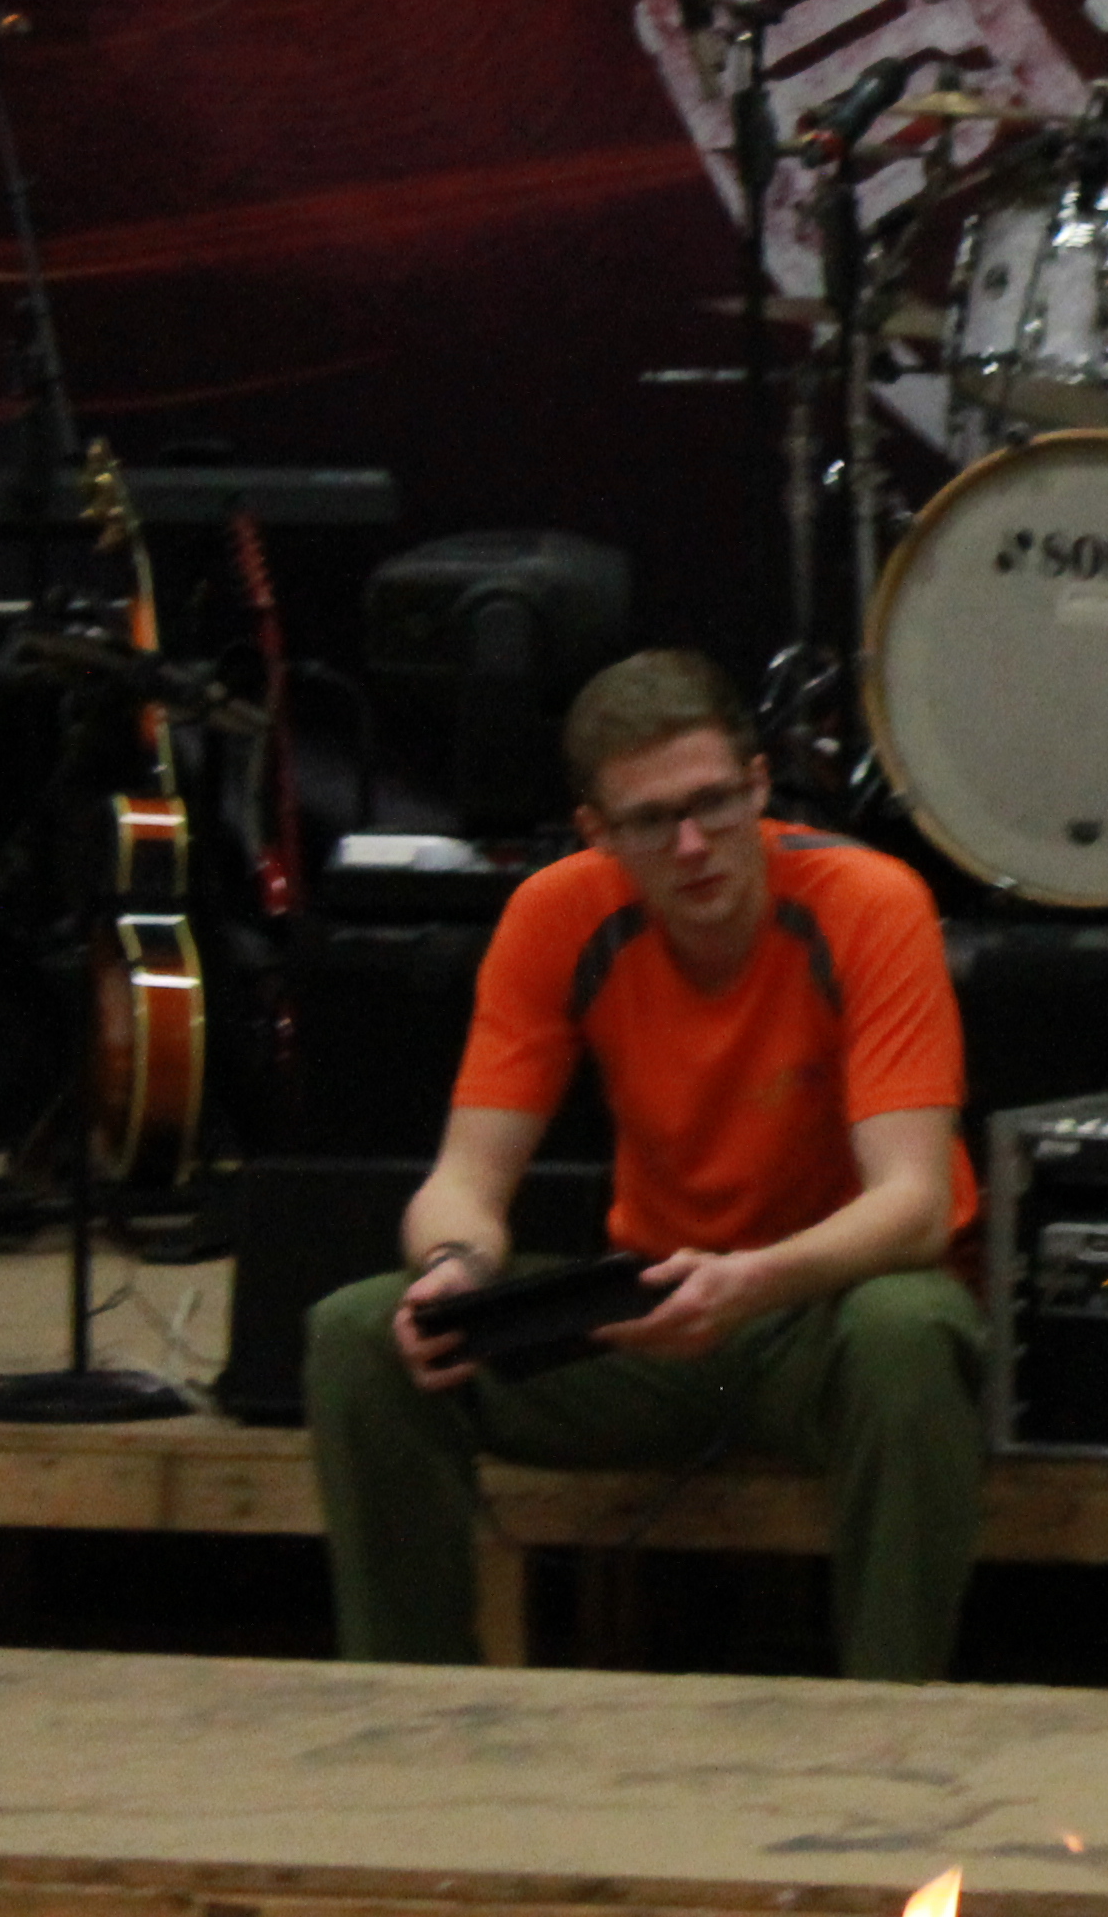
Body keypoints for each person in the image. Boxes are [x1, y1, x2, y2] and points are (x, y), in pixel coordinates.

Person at [304, 650, 987, 1681]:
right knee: (363, 1333)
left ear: (759, 784)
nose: (693, 844)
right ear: (598, 832)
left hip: (822, 1311)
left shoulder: (867, 901)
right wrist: (453, 1270)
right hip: (659, 1309)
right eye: (652, 821)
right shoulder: (556, 913)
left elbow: (915, 1206)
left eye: (714, 803)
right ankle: (409, 1708)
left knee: (911, 1330)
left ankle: (889, 1721)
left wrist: (752, 1279)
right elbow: (465, 1182)